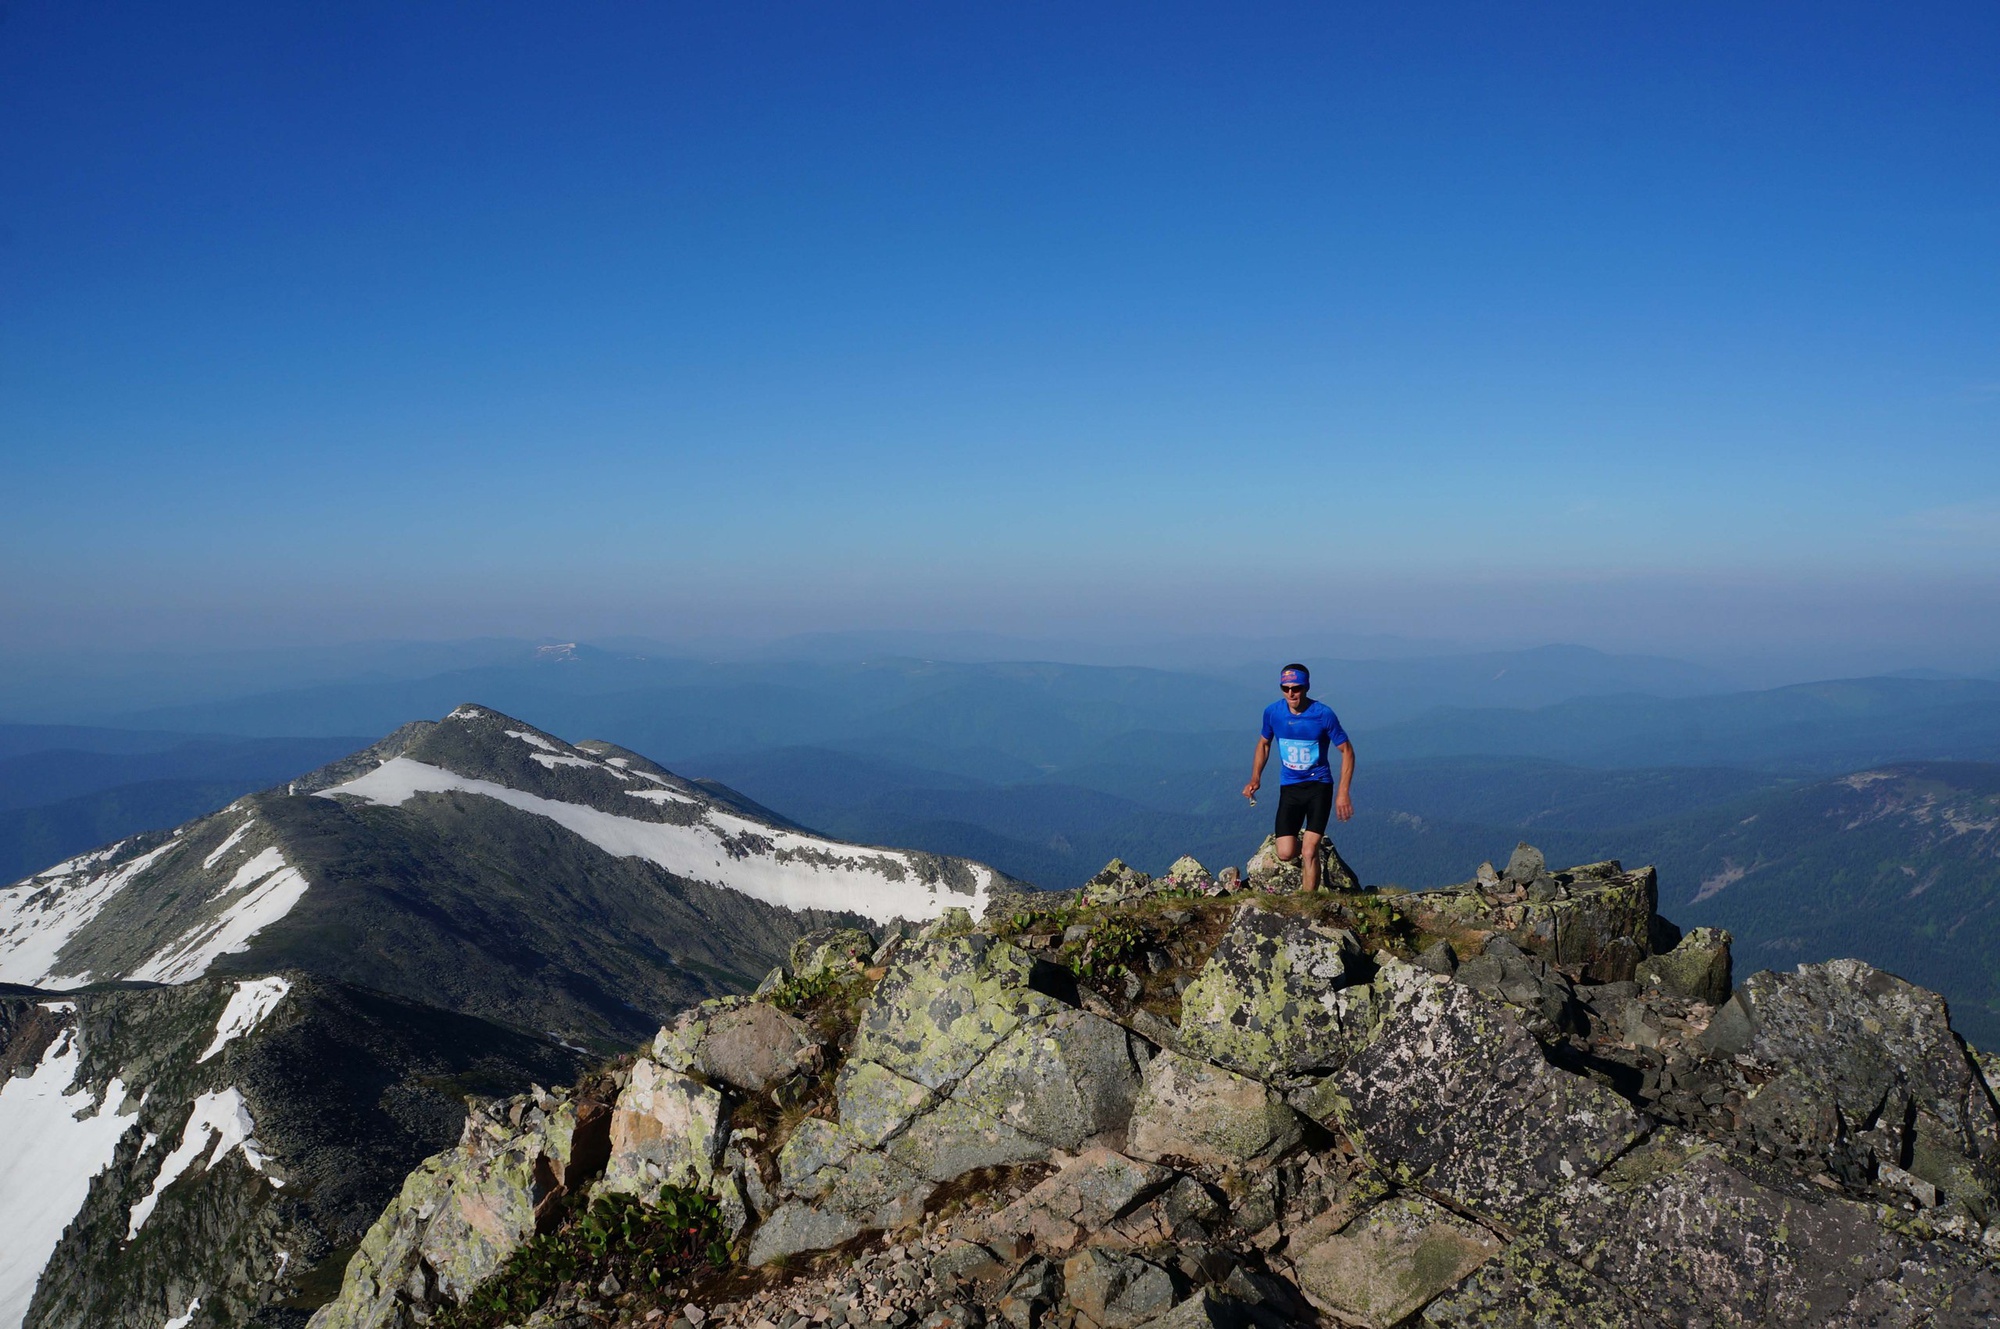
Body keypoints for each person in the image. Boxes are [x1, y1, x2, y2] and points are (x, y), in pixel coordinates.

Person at [1242, 663, 1355, 891]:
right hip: (1290, 787)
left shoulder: (1323, 714)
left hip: (1319, 785)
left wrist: (1343, 793)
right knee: (1285, 852)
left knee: (1309, 851)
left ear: (1306, 687)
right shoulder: (1273, 713)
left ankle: (1308, 905)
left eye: (1296, 688)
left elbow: (1347, 751)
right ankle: (1309, 844)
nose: (1291, 693)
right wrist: (1256, 778)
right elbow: (1264, 744)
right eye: (1286, 688)